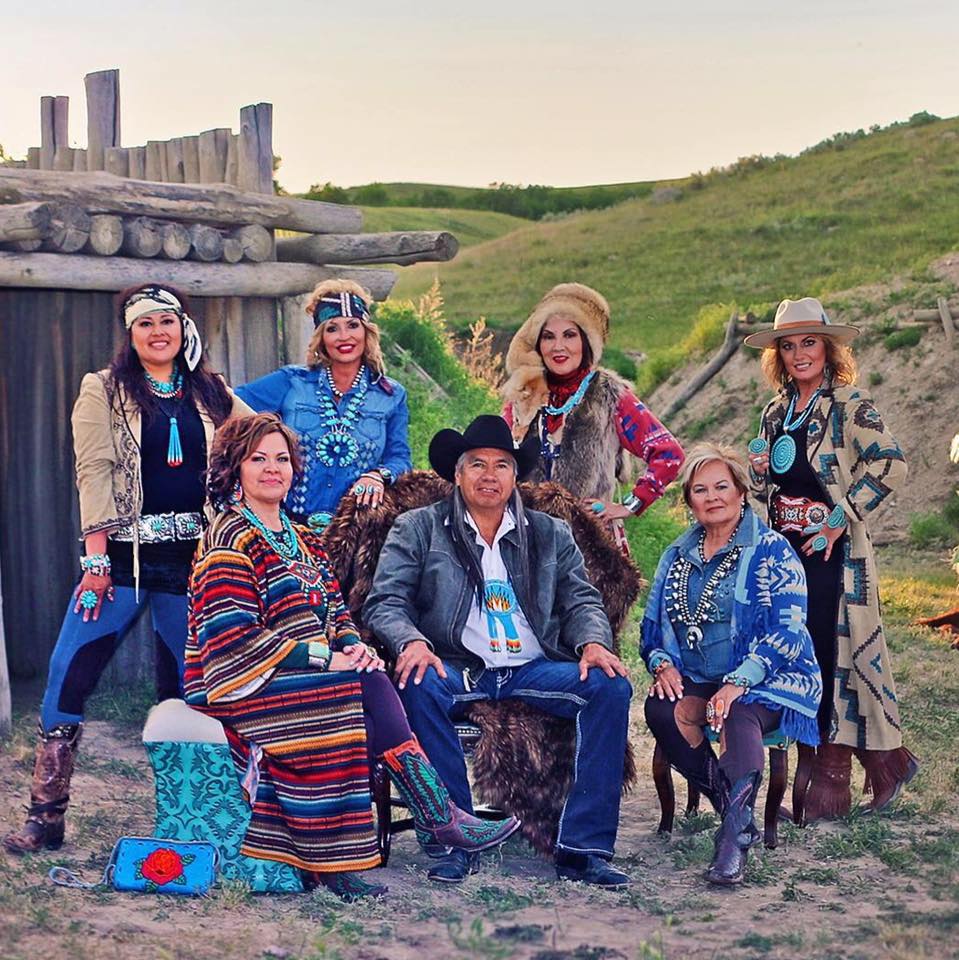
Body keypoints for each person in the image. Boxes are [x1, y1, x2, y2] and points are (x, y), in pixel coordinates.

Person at [185, 413, 519, 900]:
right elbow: (229, 637)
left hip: (302, 676)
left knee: (364, 686)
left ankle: (362, 854)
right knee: (356, 686)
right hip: (241, 681)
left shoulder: (302, 539)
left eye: (281, 459)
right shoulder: (229, 539)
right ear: (235, 469)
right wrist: (324, 659)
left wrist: (352, 645)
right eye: (258, 459)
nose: (272, 469)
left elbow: (337, 612)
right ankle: (436, 815)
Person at [4, 284, 251, 856]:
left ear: (183, 328)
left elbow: (256, 438)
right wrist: (95, 559)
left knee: (193, 690)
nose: (158, 332)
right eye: (145, 324)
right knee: (68, 671)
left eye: (167, 321)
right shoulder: (105, 389)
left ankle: (195, 818)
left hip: (193, 565)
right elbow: (93, 469)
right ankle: (45, 816)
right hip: (120, 562)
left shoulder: (211, 390)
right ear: (130, 333)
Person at [363, 414, 633, 887]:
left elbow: (582, 600)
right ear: (458, 474)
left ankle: (583, 848)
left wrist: (593, 642)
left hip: (532, 667)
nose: (490, 475)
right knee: (419, 681)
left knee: (609, 686)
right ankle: (454, 839)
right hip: (458, 665)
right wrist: (412, 641)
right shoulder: (418, 528)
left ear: (514, 476)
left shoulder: (550, 533)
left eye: (501, 465)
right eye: (477, 464)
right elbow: (385, 601)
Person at [744, 297, 919, 821]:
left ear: (827, 348)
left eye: (810, 343)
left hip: (835, 557)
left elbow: (890, 463)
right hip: (787, 555)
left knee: (833, 656)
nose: (800, 354)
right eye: (788, 345)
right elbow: (768, 492)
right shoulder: (775, 412)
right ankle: (885, 763)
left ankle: (833, 774)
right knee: (801, 653)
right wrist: (757, 474)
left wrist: (841, 517)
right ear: (778, 354)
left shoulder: (849, 404)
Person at [642, 443, 822, 885]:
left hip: (772, 677)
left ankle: (731, 845)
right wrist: (663, 664)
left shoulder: (772, 550)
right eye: (700, 490)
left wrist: (739, 681)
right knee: (662, 708)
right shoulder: (676, 555)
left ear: (741, 491)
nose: (712, 497)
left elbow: (789, 631)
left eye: (722, 486)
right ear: (689, 501)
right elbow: (651, 630)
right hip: (701, 675)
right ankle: (735, 814)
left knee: (736, 712)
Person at [501, 282, 684, 553]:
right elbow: (497, 459)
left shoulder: (610, 395)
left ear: (586, 341)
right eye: (548, 337)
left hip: (590, 548)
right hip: (529, 545)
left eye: (569, 335)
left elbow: (668, 454)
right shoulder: (525, 395)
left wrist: (630, 505)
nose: (558, 346)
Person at [236, 279, 411, 526]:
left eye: (353, 325)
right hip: (288, 525)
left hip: (354, 529)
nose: (344, 337)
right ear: (321, 337)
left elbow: (400, 458)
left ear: (366, 331)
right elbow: (228, 404)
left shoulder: (391, 395)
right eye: (332, 328)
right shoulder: (292, 382)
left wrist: (377, 475)